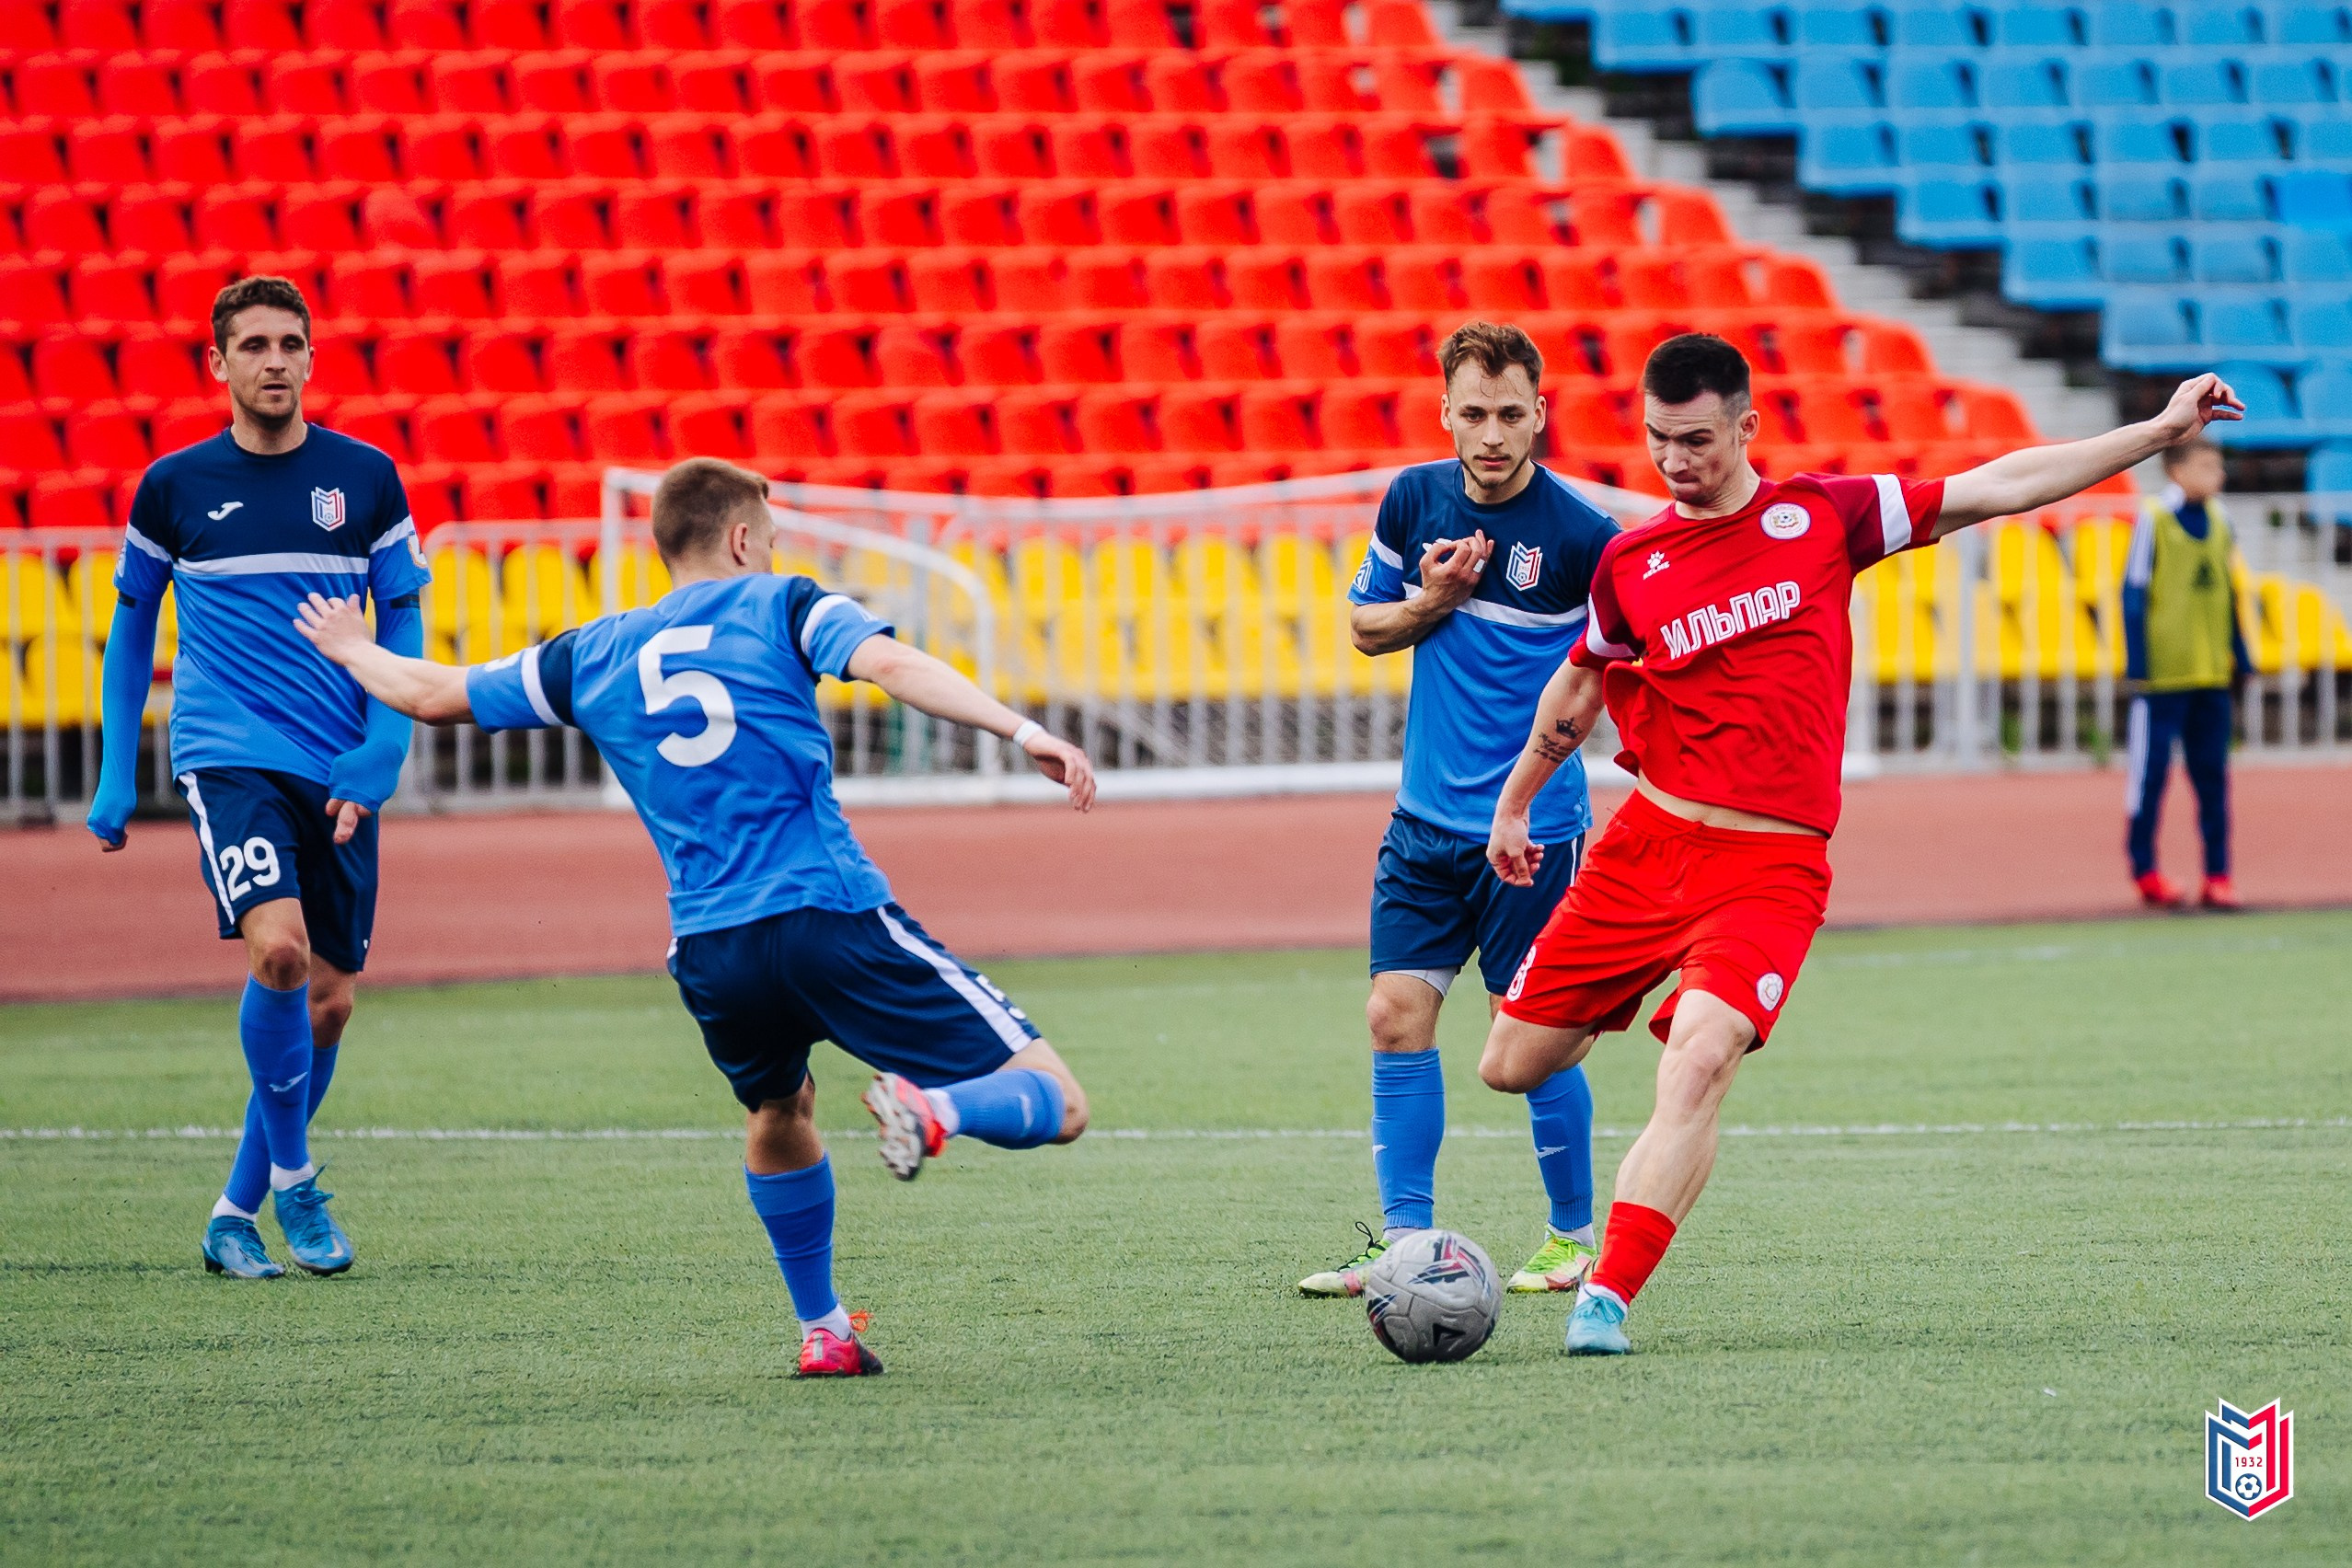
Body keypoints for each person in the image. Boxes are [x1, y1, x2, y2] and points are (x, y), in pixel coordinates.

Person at [1476, 334, 2242, 1355]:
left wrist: (2154, 433)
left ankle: (1606, 1295)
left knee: (1701, 1059)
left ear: (1746, 427)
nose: (1676, 460)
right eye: (1659, 441)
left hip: (1769, 871)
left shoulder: (1824, 517)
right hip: (1646, 850)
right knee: (1510, 1064)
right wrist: (1517, 802)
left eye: (1698, 439)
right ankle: (1611, 1006)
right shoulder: (1632, 562)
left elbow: (1999, 485)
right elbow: (1580, 683)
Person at [294, 456, 1098, 1378]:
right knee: (1060, 1098)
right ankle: (934, 1106)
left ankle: (824, 1330)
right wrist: (1022, 730)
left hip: (713, 950)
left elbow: (436, 695)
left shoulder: (592, 651)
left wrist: (354, 647)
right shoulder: (785, 603)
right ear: (744, 538)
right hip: (825, 910)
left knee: (779, 1106)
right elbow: (889, 661)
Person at [86, 275, 432, 1282]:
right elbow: (130, 628)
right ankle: (297, 1182)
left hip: (340, 765)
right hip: (226, 752)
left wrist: (384, 747)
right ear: (219, 363)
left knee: (328, 1000)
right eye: (255, 345)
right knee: (277, 953)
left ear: (312, 359)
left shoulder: (365, 478)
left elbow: (401, 615)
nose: (274, 360)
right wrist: (115, 773)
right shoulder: (174, 487)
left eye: (291, 344)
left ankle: (234, 1212)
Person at [1298, 321, 1620, 1300]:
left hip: (1532, 835)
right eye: (1473, 413)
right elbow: (1363, 628)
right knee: (1394, 1018)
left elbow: (1607, 677)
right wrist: (1433, 599)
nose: (1491, 433)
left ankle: (1571, 1237)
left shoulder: (1581, 538)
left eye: (1510, 414)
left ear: (1540, 415)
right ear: (1445, 411)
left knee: (1531, 1040)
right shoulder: (1413, 499)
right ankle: (1407, 1246)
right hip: (1422, 823)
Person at [2122, 437, 2251, 910]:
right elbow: (2133, 592)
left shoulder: (2222, 521)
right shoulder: (2153, 520)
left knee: (2213, 779)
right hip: (2162, 679)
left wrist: (2241, 656)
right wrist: (2138, 665)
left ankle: (2218, 875)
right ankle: (2145, 870)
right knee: (2150, 778)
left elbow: (2228, 591)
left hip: (2210, 675)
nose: (2217, 474)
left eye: (2219, 465)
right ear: (2177, 472)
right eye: (2206, 465)